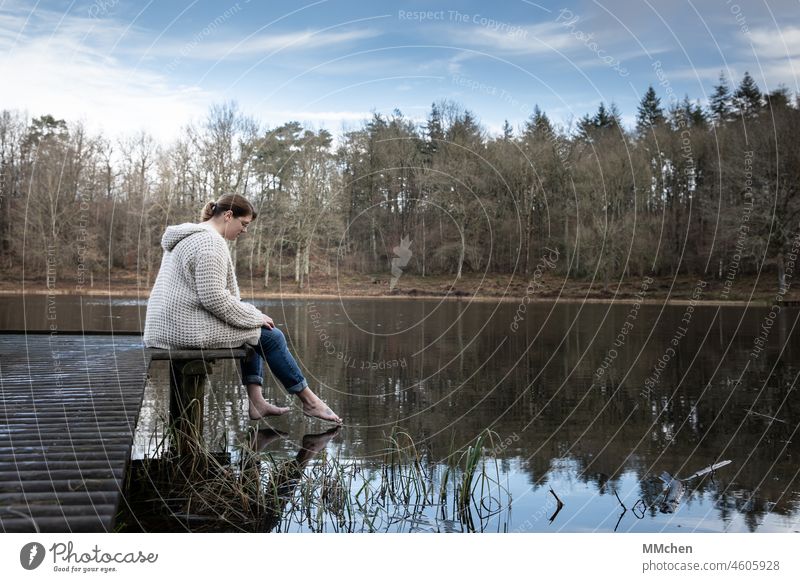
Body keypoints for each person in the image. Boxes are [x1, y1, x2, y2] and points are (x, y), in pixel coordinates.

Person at [143, 193, 342, 424]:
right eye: (243, 224)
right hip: (183, 328)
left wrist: (252, 316)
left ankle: (257, 402)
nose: (244, 230)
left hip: (165, 326)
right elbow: (214, 298)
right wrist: (254, 316)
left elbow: (209, 297)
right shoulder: (210, 242)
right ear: (228, 216)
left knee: (252, 326)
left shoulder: (187, 238)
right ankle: (310, 402)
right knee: (272, 336)